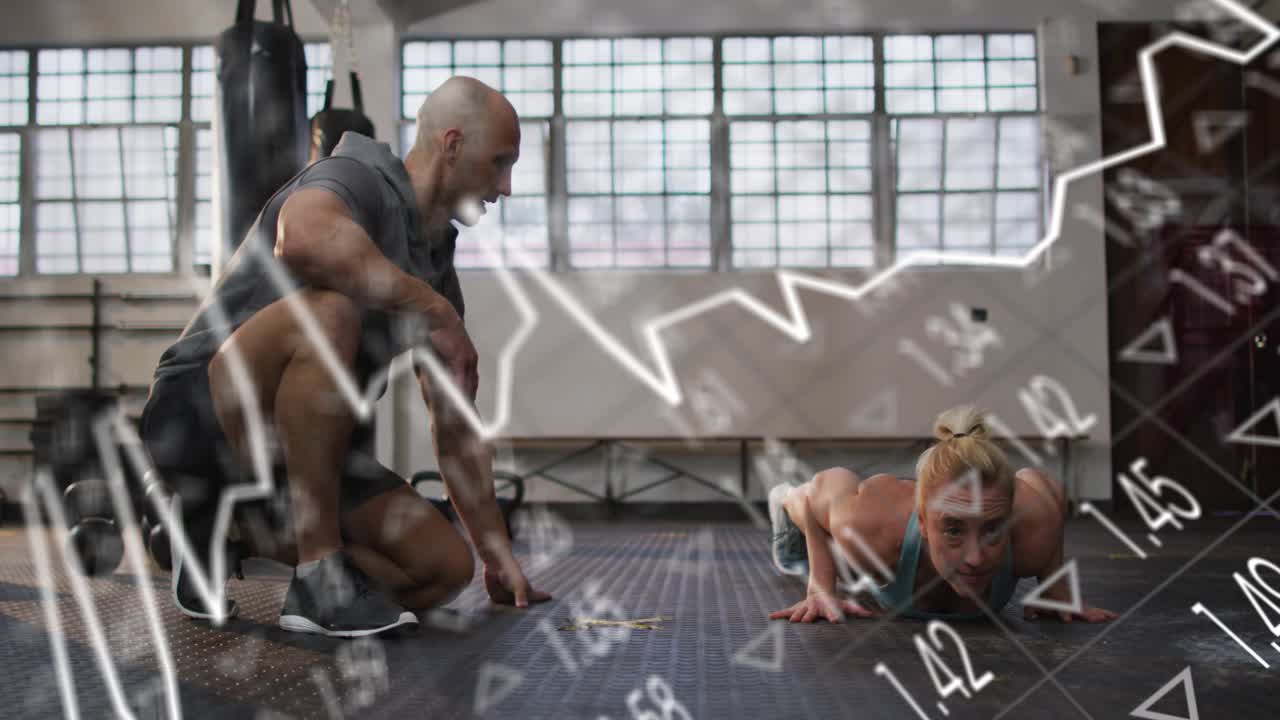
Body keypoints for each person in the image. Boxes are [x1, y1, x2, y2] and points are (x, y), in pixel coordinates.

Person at [139, 76, 550, 637]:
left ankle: (218, 527)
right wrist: (432, 310)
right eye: (500, 163)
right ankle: (317, 579)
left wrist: (495, 550)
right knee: (332, 310)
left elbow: (453, 423)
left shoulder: (433, 264)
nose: (504, 187)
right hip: (201, 415)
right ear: (453, 145)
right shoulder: (355, 176)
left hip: (293, 459)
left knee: (442, 569)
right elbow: (303, 240)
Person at [766, 405, 1118, 624]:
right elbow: (820, 494)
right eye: (953, 531)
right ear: (922, 522)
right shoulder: (871, 528)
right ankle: (783, 499)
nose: (976, 558)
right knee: (812, 500)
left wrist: (1057, 590)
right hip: (871, 518)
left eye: (993, 530)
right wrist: (821, 587)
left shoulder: (1036, 524)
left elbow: (1048, 494)